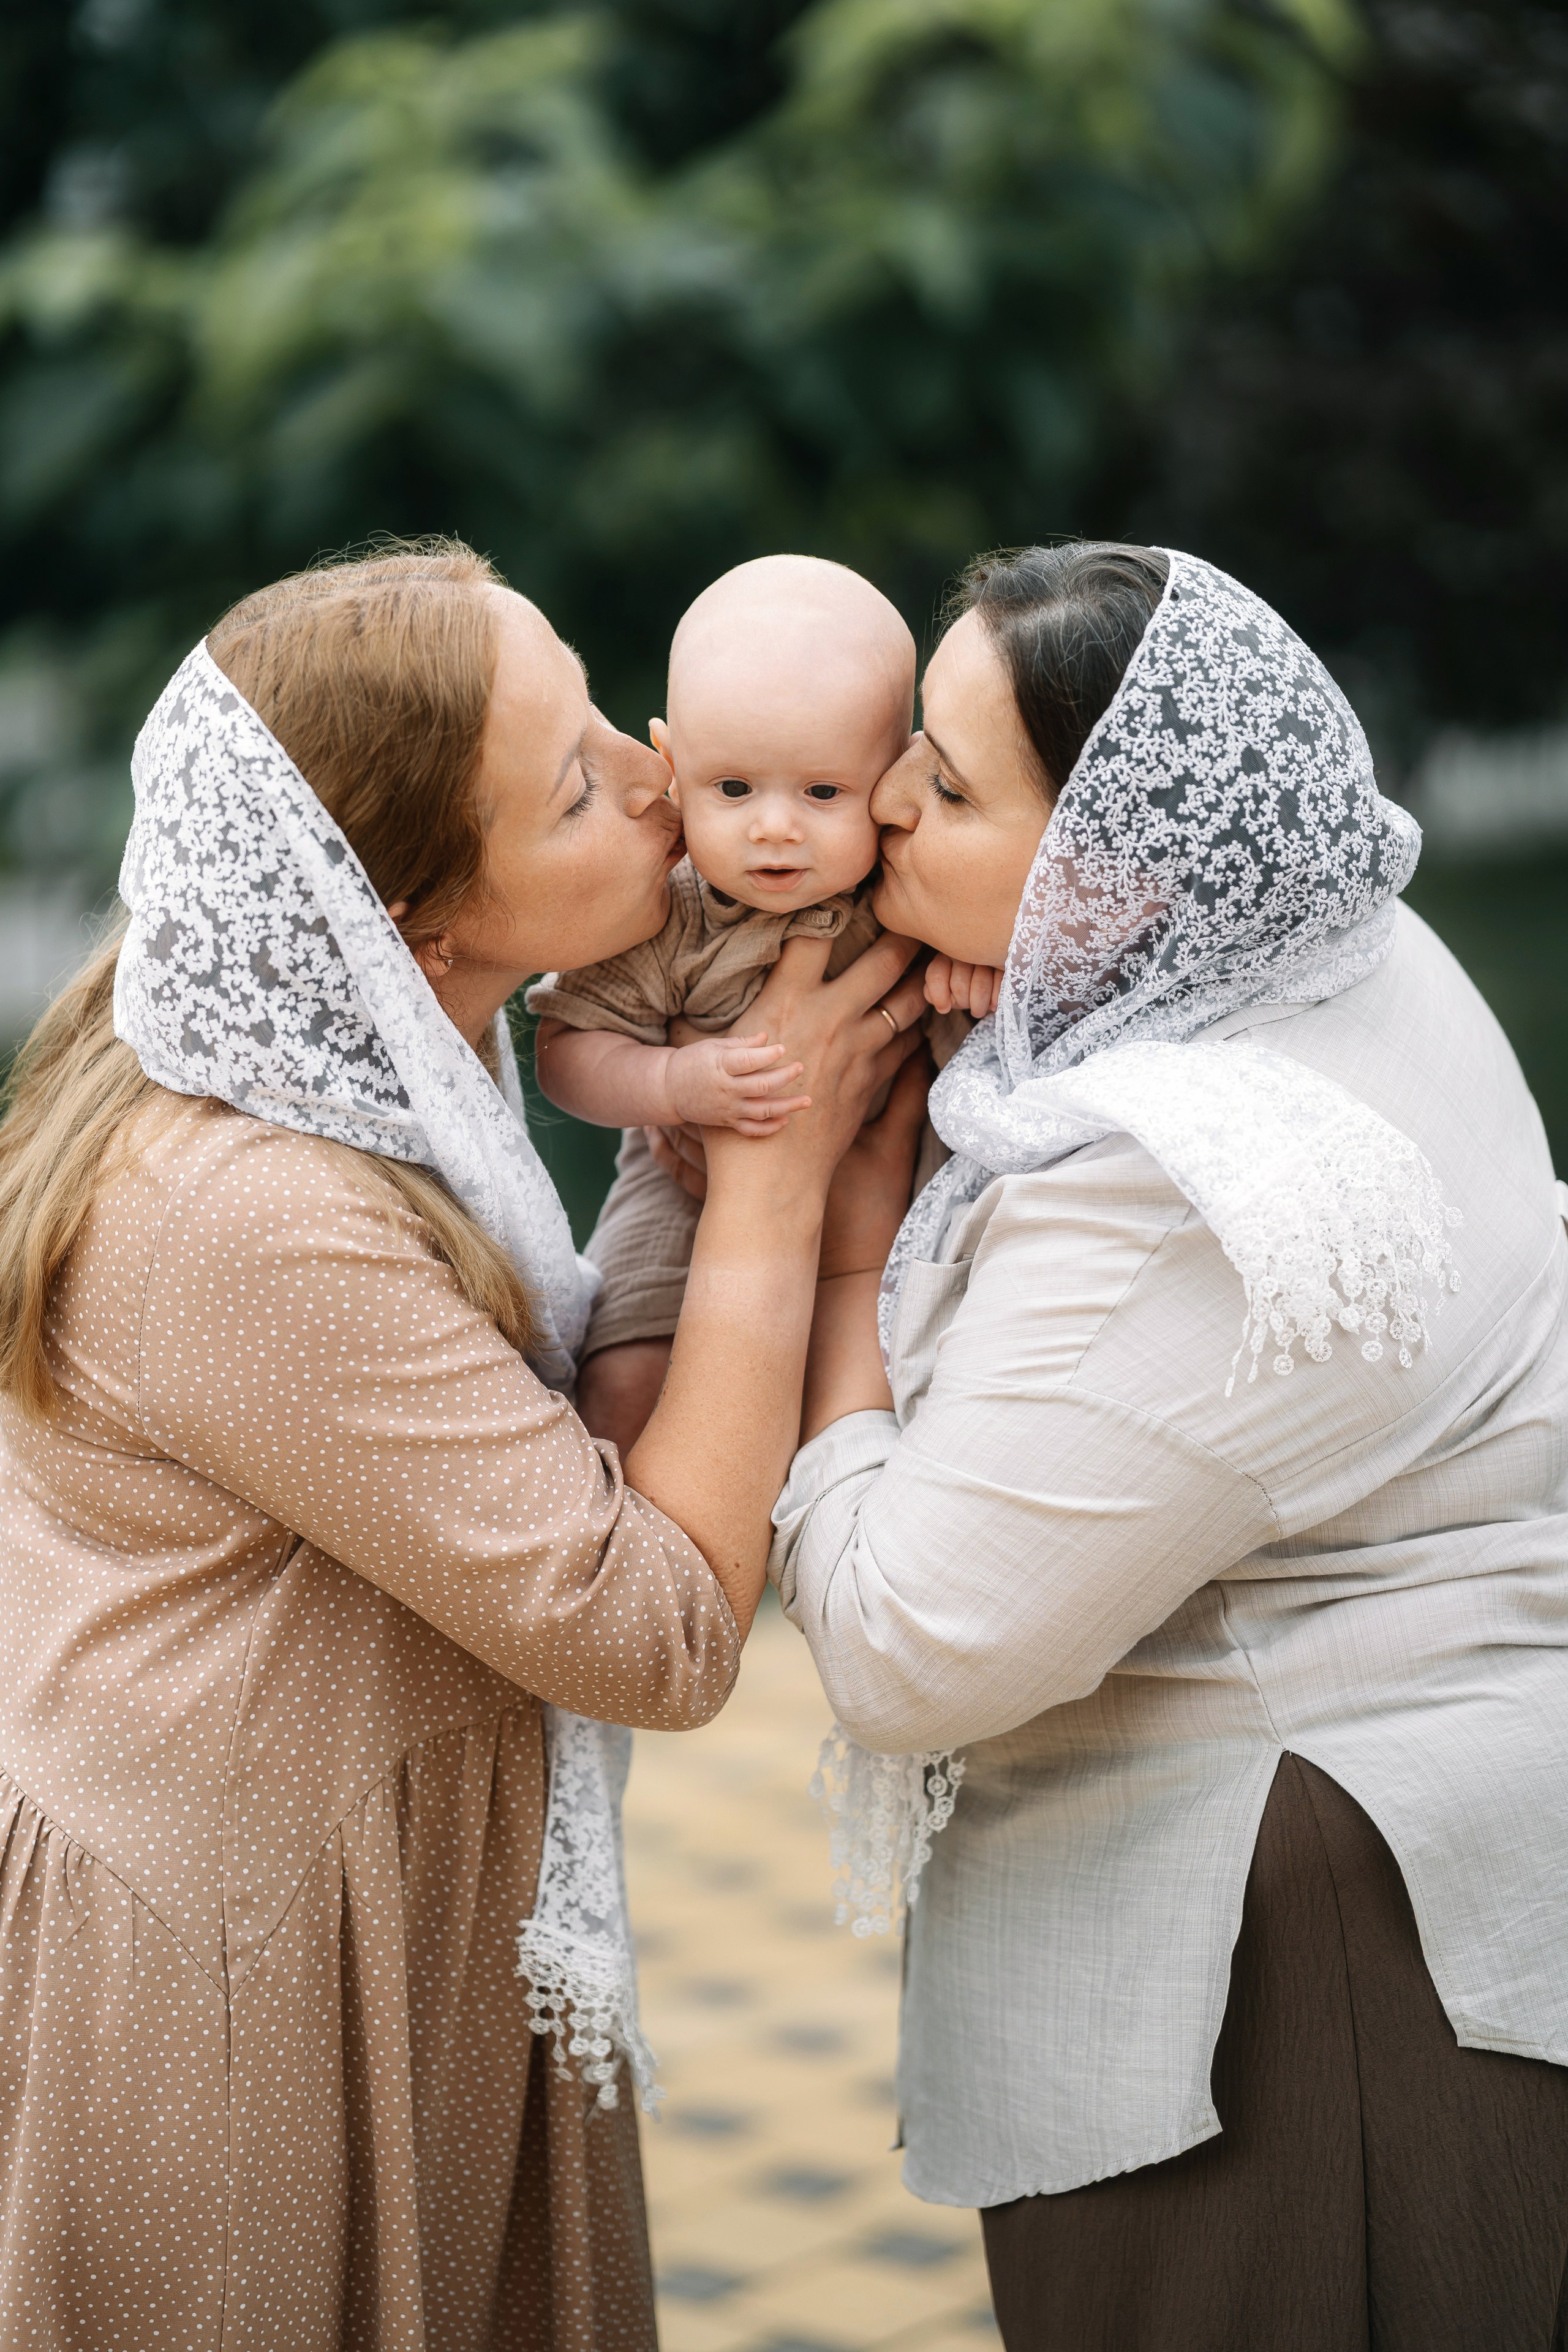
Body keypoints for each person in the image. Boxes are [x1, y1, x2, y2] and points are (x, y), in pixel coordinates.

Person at [0, 540, 928, 2352]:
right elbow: (653, 1629)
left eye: (597, 701)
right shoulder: (247, 1213)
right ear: (418, 917)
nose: (658, 773)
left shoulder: (346, 1048)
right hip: (255, 1999)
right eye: (579, 777)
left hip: (393, 1915)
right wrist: (781, 1169)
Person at [767, 542, 1568, 2350]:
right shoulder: (1324, 936)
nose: (883, 802)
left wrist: (833, 1247)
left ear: (1117, 886)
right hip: (1443, 1859)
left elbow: (910, 1645)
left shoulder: (1181, 1190)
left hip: (1294, 1985)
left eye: (950, 789)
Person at [529, 553, 974, 1457]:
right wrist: (673, 1082)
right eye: (732, 790)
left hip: (903, 1208)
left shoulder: (909, 886)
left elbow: (993, 940)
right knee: (626, 1378)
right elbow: (566, 1048)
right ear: (671, 763)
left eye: (822, 792)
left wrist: (980, 974)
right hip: (687, 1189)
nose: (775, 828)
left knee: (929, 1390)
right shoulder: (668, 911)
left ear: (893, 778)